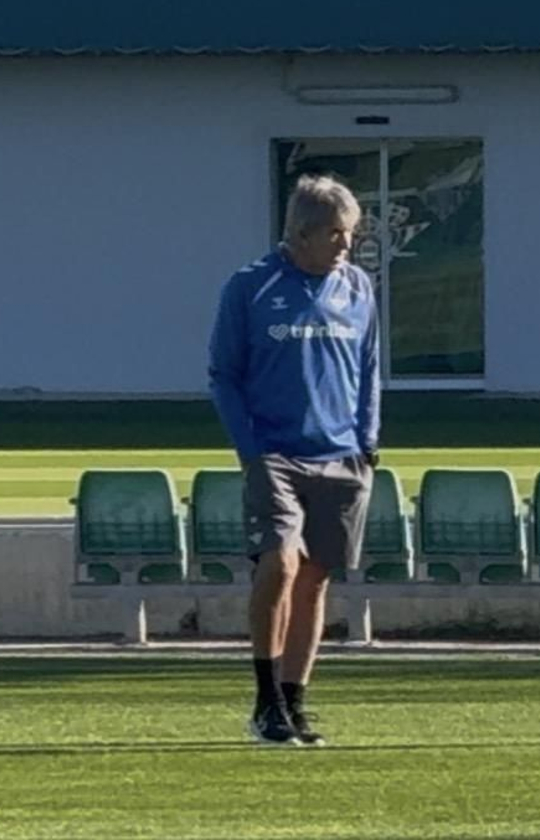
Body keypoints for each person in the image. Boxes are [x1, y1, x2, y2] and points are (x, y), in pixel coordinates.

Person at [208, 175, 380, 745]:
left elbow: (369, 371)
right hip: (274, 453)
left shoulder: (357, 289)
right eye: (335, 233)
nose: (345, 245)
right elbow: (224, 375)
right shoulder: (251, 287)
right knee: (278, 564)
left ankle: (296, 701)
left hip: (341, 455)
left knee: (314, 579)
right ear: (300, 234)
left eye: (350, 234)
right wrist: (250, 449)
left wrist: (367, 443)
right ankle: (265, 700)